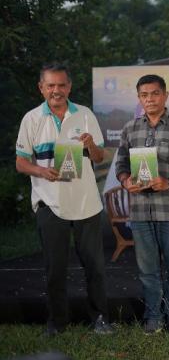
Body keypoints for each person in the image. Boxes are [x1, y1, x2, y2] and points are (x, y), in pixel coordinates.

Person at [15, 63, 112, 336]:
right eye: (51, 85)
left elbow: (99, 157)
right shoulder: (31, 119)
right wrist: (41, 170)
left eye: (61, 85)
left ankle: (100, 319)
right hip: (50, 203)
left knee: (95, 267)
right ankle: (57, 323)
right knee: (55, 269)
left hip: (85, 203)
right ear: (41, 88)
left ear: (69, 87)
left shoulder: (85, 114)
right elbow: (21, 163)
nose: (56, 90)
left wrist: (91, 144)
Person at [116, 74, 169, 335]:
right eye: (144, 95)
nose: (149, 99)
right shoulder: (130, 129)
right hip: (140, 212)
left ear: (165, 95)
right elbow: (120, 166)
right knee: (147, 270)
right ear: (139, 98)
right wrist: (126, 180)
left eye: (154, 94)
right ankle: (153, 317)